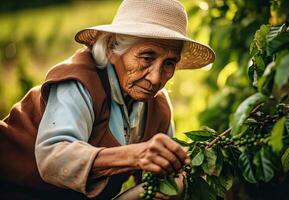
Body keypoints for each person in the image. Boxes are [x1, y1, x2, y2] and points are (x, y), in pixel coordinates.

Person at [0, 0, 215, 199]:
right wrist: (136, 155)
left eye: (169, 63)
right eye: (147, 57)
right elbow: (53, 158)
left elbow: (160, 181)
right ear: (113, 48)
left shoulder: (158, 107)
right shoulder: (78, 82)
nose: (156, 78)